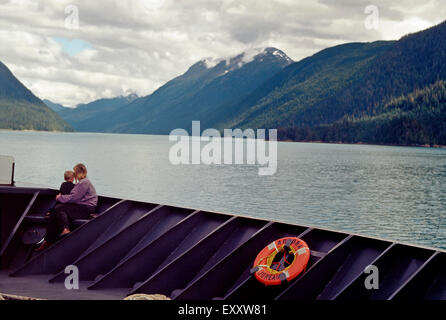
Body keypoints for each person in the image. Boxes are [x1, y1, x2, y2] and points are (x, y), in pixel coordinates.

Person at [35, 163, 98, 252]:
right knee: (57, 212)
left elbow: (73, 197)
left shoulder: (84, 183)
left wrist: (59, 197)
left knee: (59, 209)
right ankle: (49, 239)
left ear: (77, 173)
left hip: (86, 208)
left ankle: (58, 234)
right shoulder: (84, 182)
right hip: (83, 206)